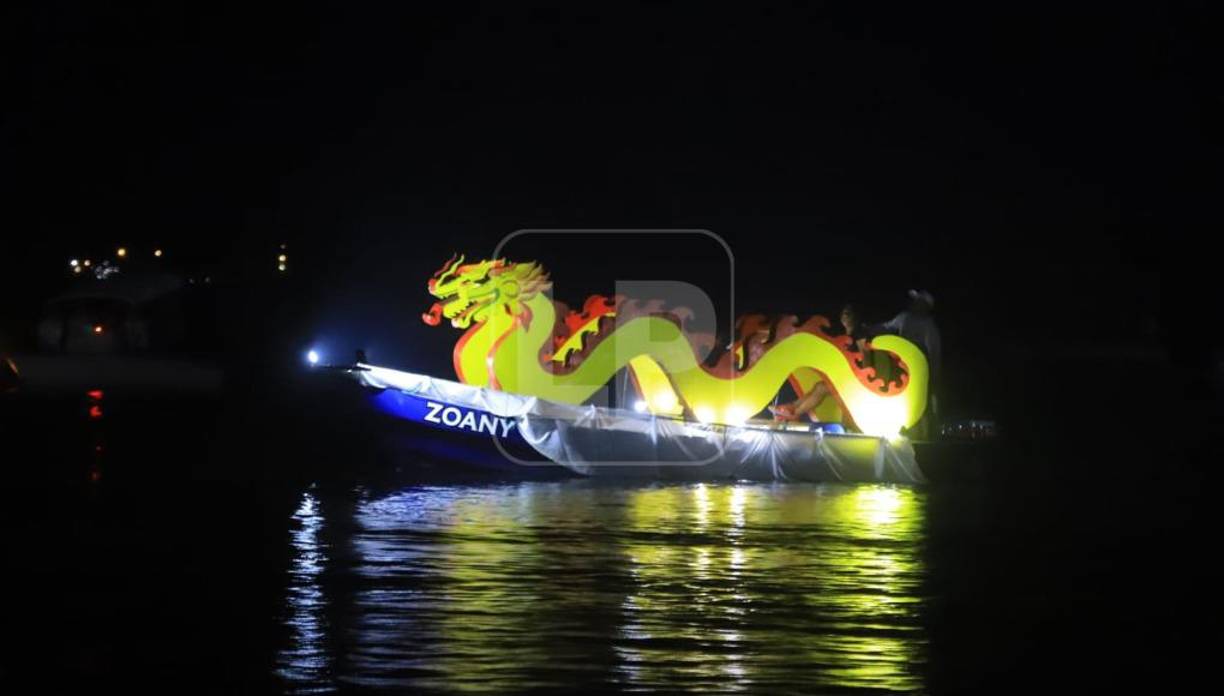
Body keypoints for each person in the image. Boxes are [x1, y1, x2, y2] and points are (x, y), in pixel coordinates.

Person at [769, 304, 865, 422]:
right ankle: (791, 407)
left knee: (821, 387)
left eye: (847, 315)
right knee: (818, 385)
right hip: (844, 376)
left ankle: (794, 412)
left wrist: (860, 376)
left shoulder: (859, 333)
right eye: (843, 315)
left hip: (856, 380)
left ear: (853, 318)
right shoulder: (844, 335)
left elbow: (863, 355)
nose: (844, 318)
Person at [869, 289, 942, 437]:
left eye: (919, 301)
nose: (915, 304)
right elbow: (887, 326)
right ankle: (905, 429)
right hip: (902, 364)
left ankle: (927, 434)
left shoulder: (928, 325)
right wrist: (868, 329)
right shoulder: (904, 317)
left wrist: (933, 375)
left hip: (920, 367)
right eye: (915, 301)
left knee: (922, 400)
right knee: (902, 394)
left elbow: (934, 352)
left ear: (926, 306)